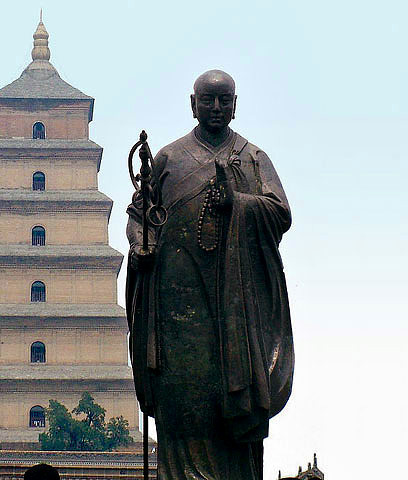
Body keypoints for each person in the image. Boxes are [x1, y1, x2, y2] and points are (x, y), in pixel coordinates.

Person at [126, 70, 294, 480]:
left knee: (228, 406)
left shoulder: (253, 158)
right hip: (177, 305)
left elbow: (280, 213)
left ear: (235, 105)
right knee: (182, 401)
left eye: (224, 100)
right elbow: (139, 217)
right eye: (208, 100)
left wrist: (237, 202)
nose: (216, 108)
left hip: (234, 307)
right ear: (193, 103)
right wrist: (141, 245)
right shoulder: (168, 158)